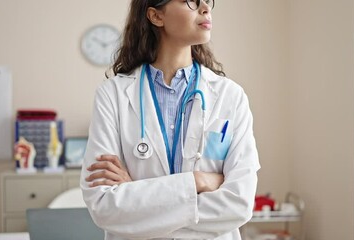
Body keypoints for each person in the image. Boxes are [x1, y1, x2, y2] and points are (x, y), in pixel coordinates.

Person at [81, 0, 260, 239]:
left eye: (207, 1)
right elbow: (104, 207)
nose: (206, 8)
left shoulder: (231, 96)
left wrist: (137, 196)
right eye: (191, 1)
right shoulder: (112, 95)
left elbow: (239, 203)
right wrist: (198, 181)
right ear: (156, 16)